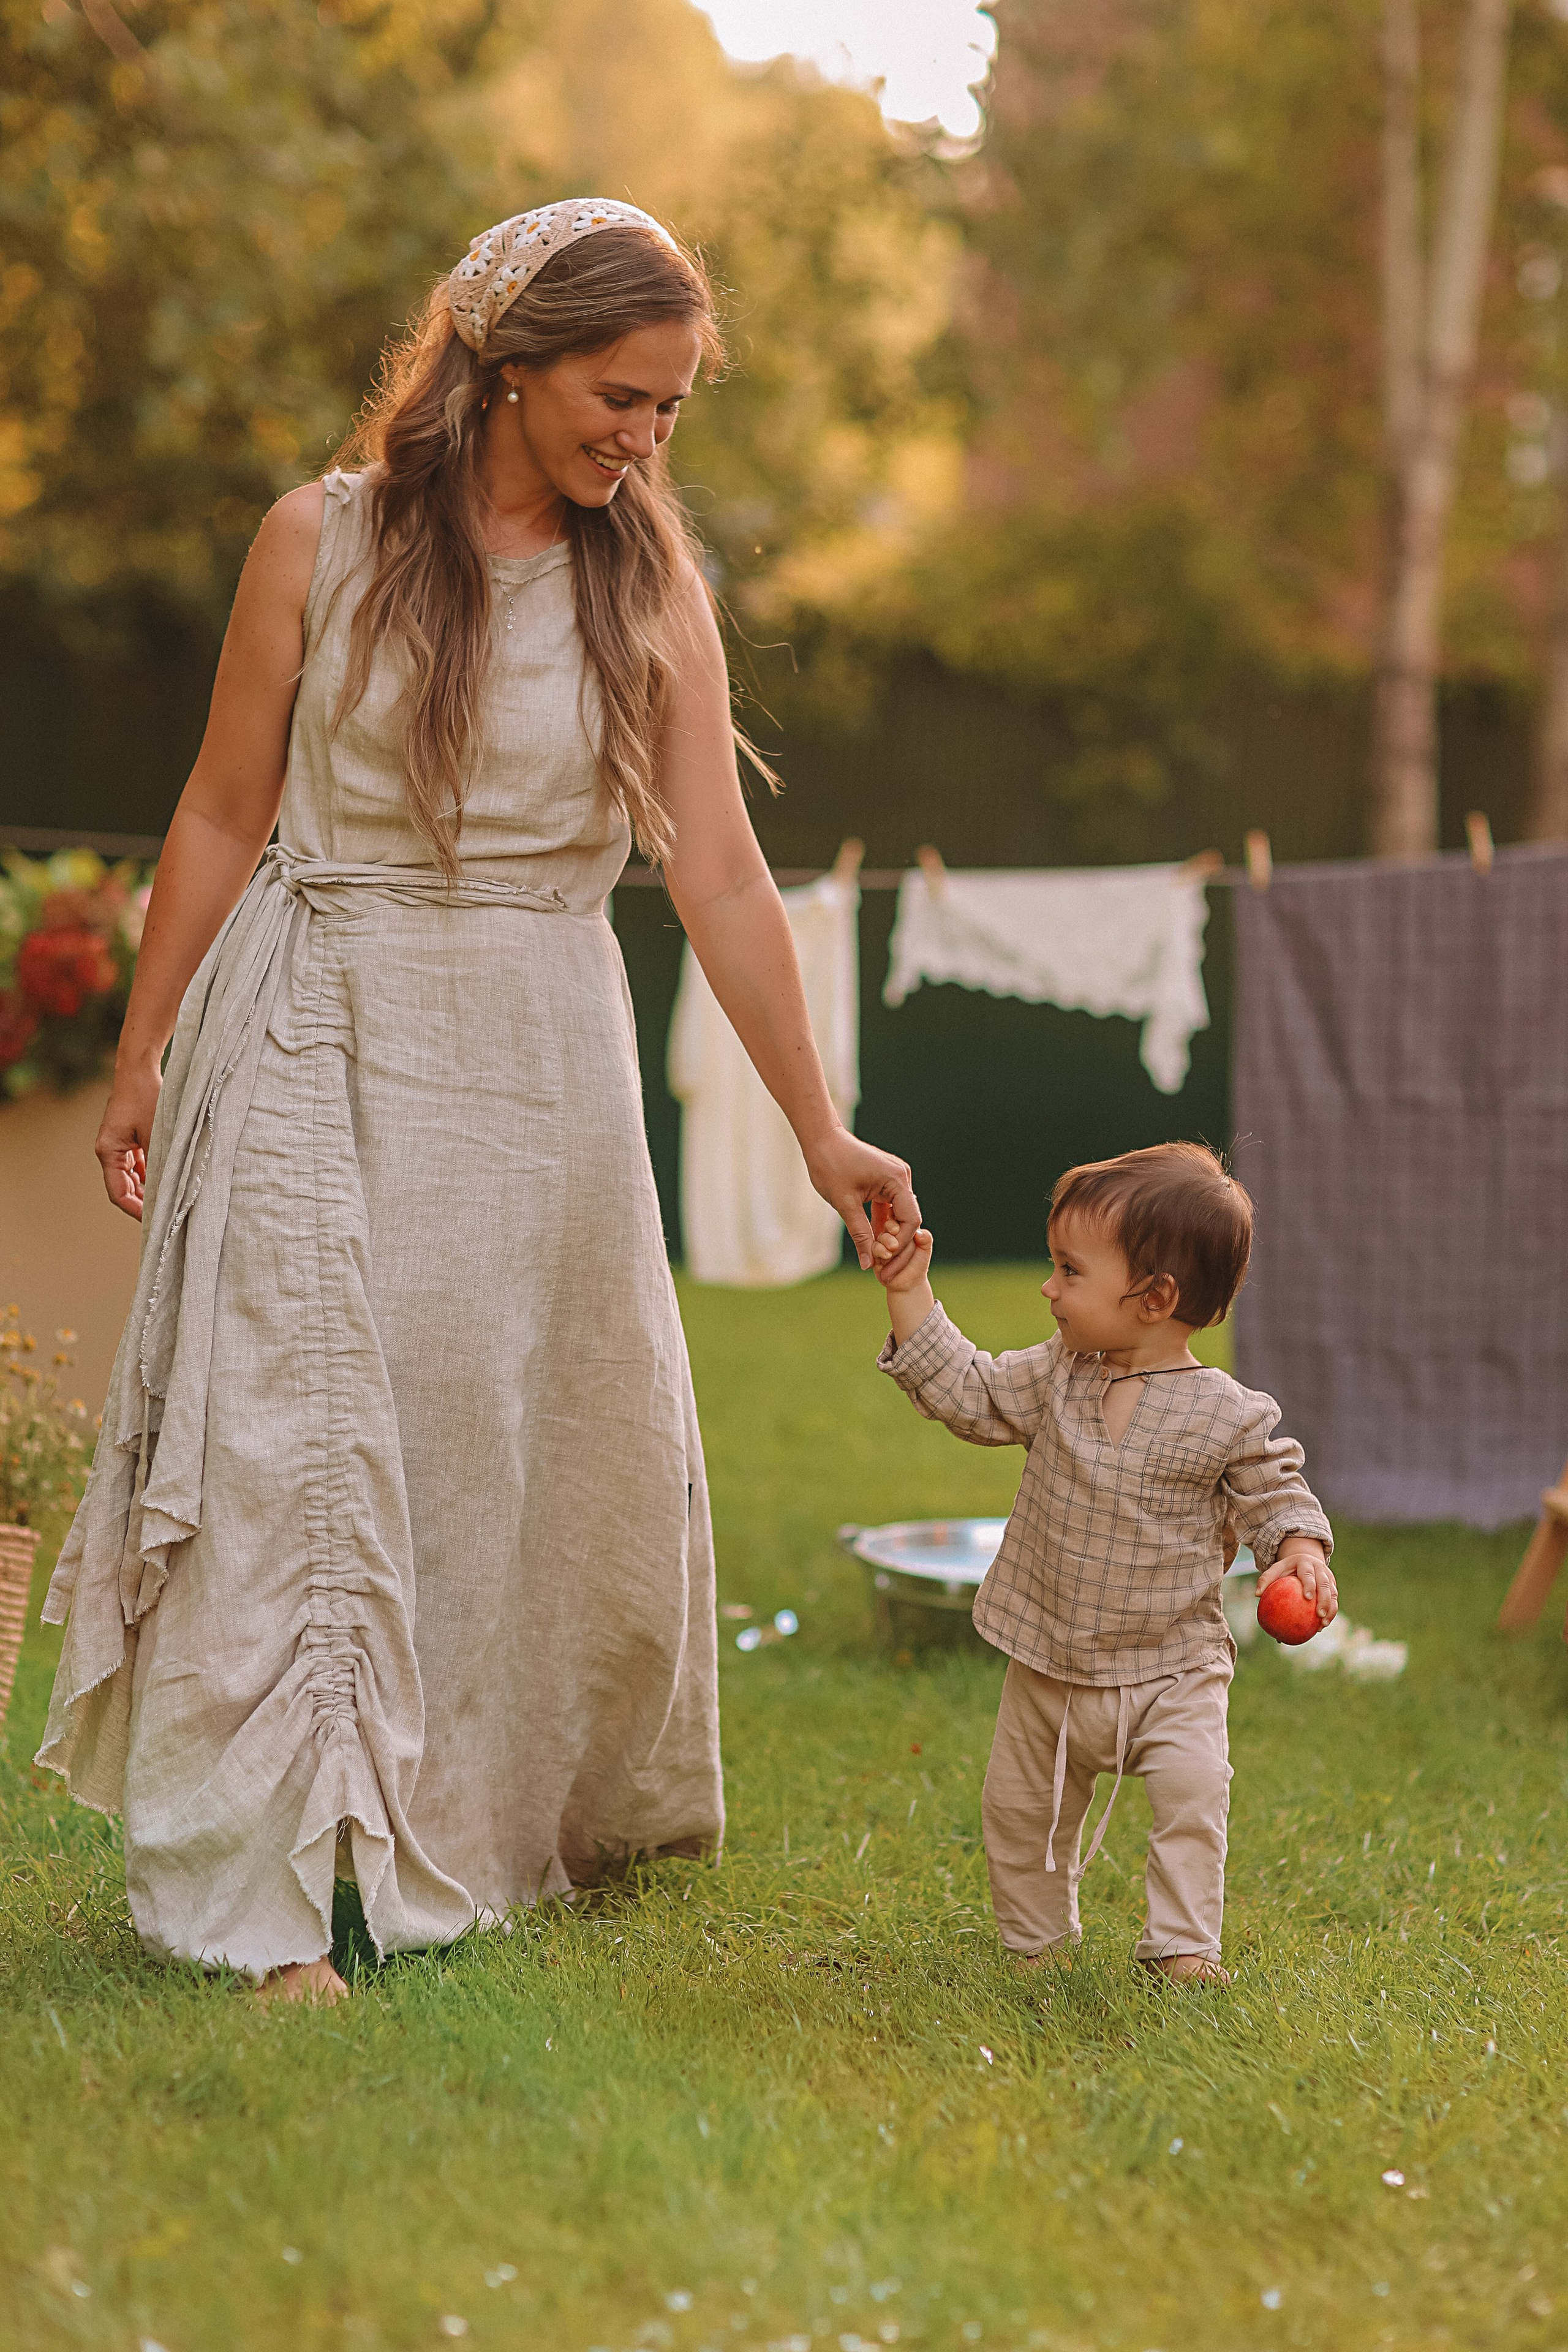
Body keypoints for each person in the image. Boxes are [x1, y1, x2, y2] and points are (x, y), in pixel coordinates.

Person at [36, 198, 918, 2004]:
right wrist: (145, 1047)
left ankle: (522, 1812)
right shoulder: (320, 541)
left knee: (511, 1446)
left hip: (542, 1055)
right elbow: (219, 811)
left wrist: (821, 1128)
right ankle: (289, 1890)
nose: (646, 438)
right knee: (303, 1442)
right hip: (325, 1016)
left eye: (673, 409)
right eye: (621, 395)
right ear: (507, 363)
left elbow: (728, 882)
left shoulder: (648, 582)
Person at [872, 1141, 1333, 1985]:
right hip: (1049, 1655)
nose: (1049, 1287)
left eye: (1069, 1270)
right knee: (1021, 1813)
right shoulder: (1059, 1374)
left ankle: (1182, 1948)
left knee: (1194, 1796)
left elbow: (1277, 1495)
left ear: (1154, 1297)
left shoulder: (1229, 1415)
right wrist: (909, 1290)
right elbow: (969, 1393)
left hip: (1172, 1669)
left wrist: (1298, 1553)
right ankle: (1036, 1944)